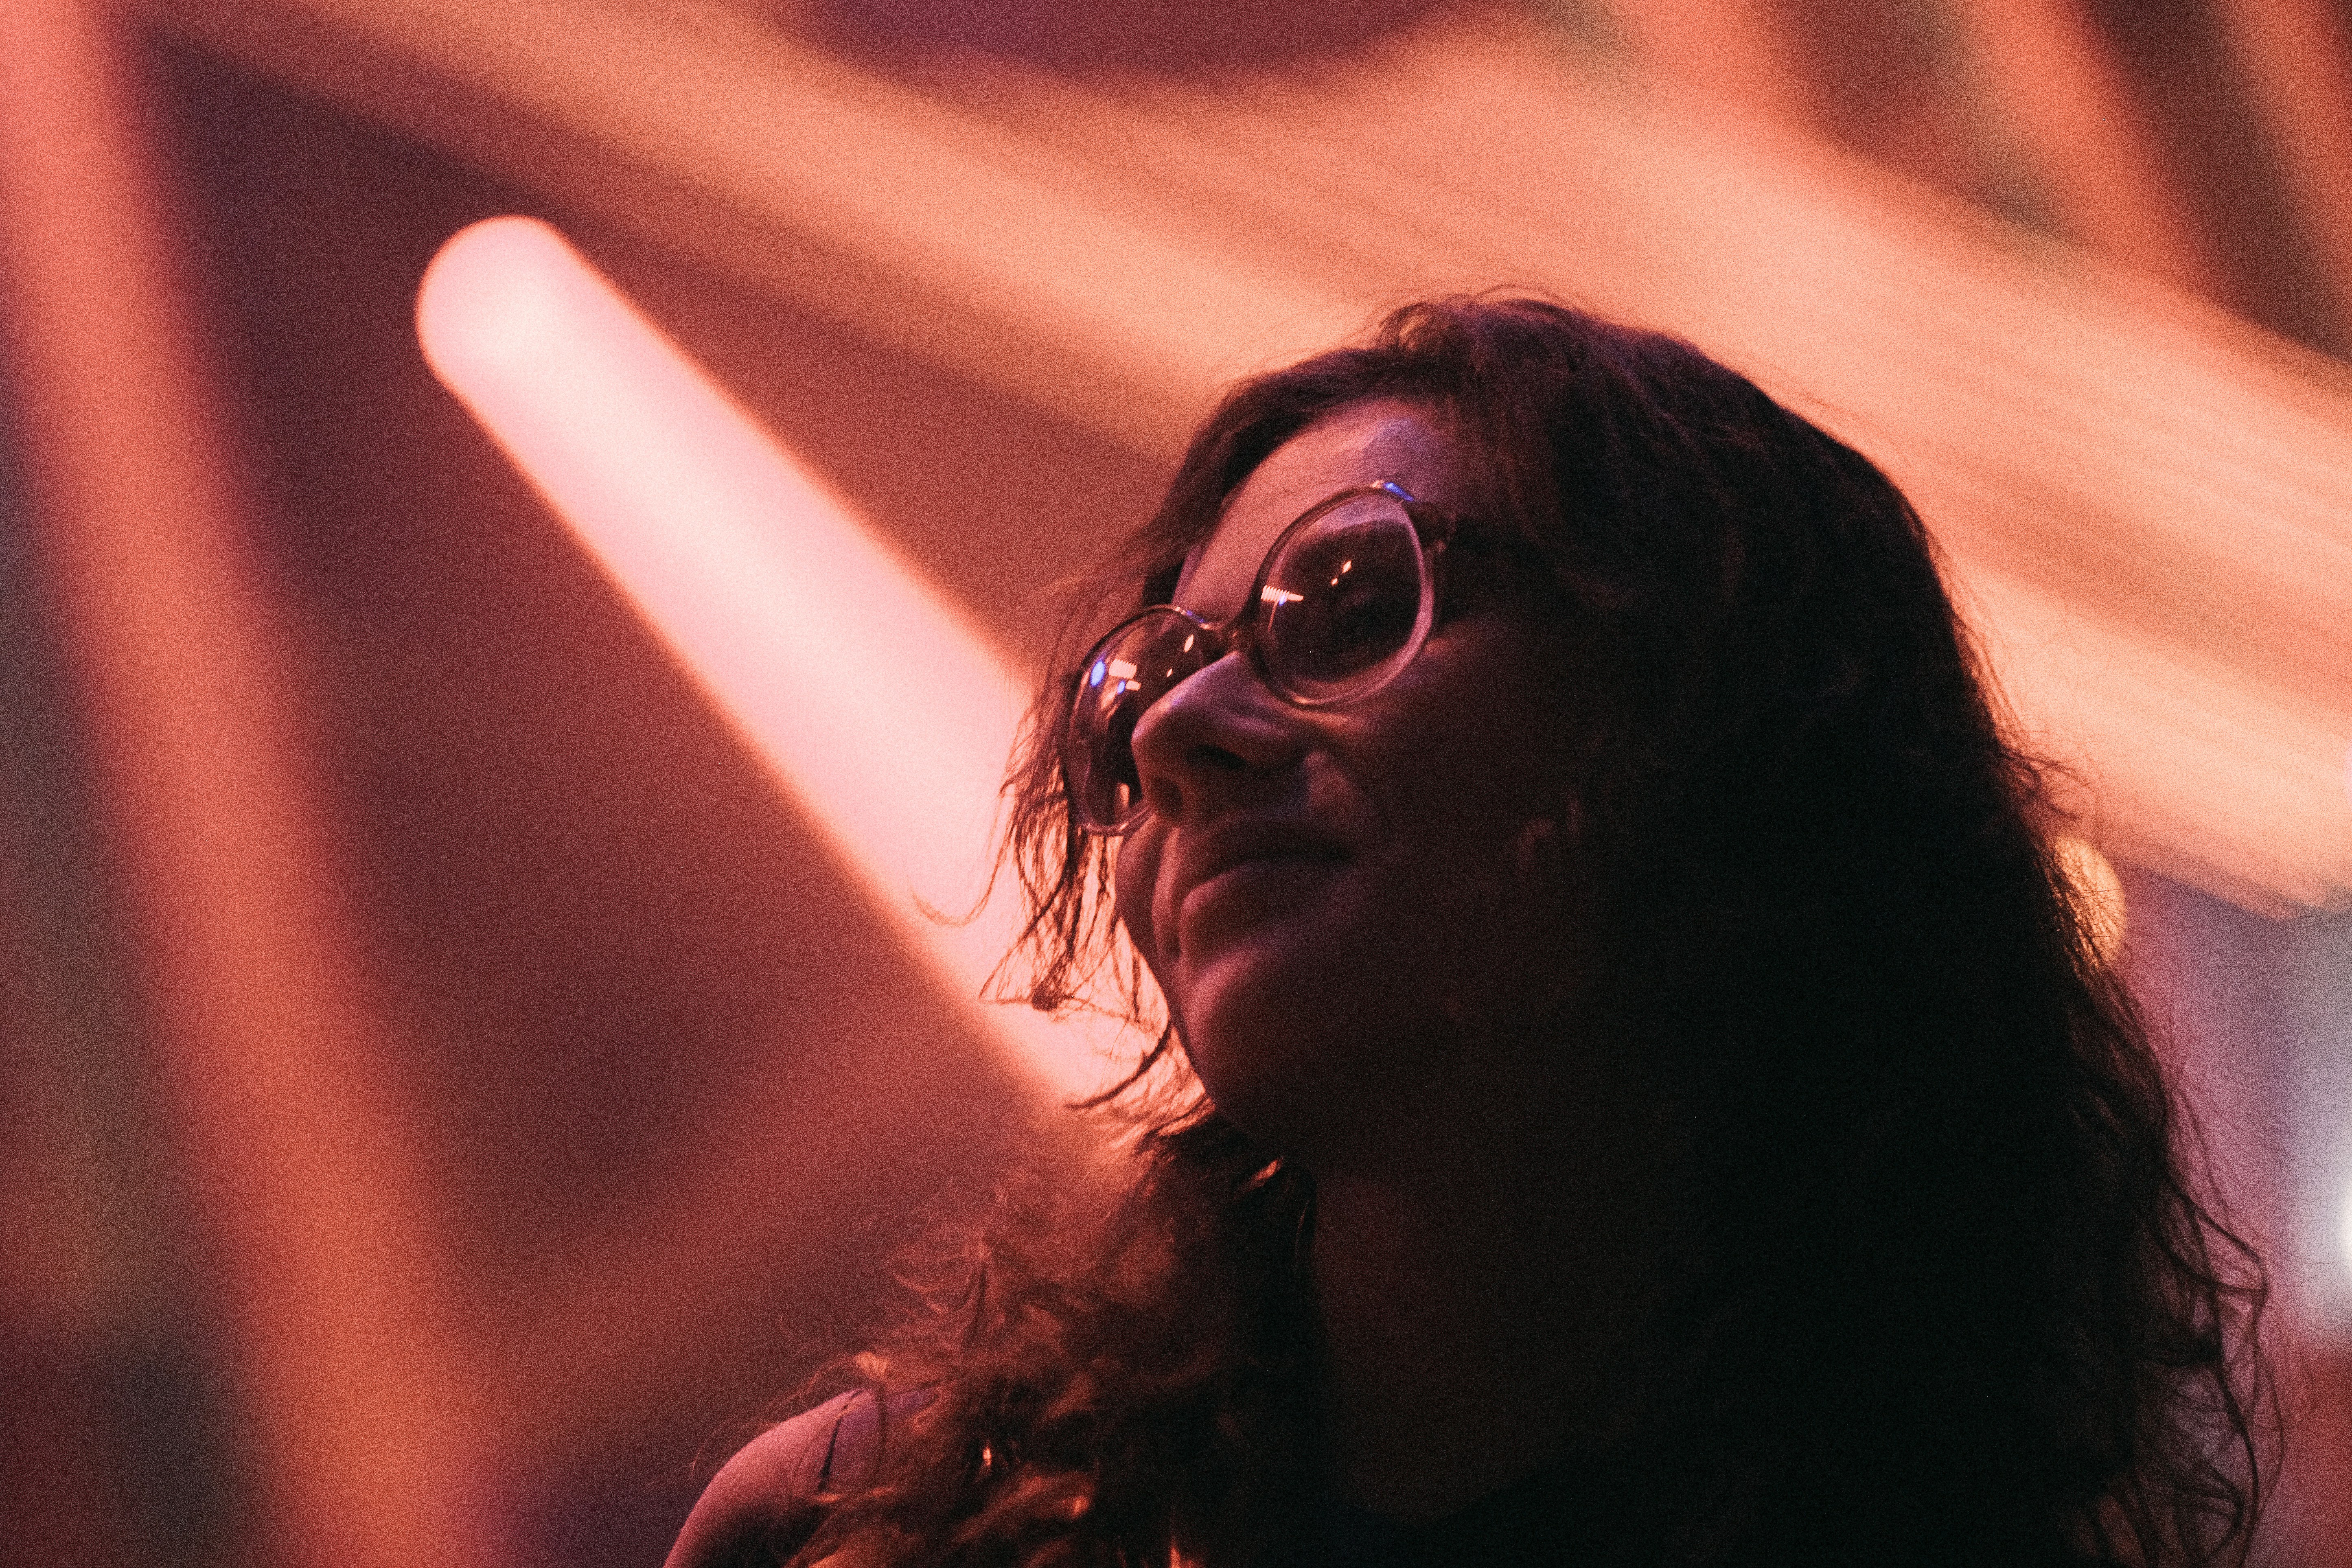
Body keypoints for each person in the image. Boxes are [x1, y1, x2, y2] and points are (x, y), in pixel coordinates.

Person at [666, 299, 2269, 1568]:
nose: (1180, 731)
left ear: (1708, 724)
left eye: (1350, 606)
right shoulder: (857, 1539)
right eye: (1142, 686)